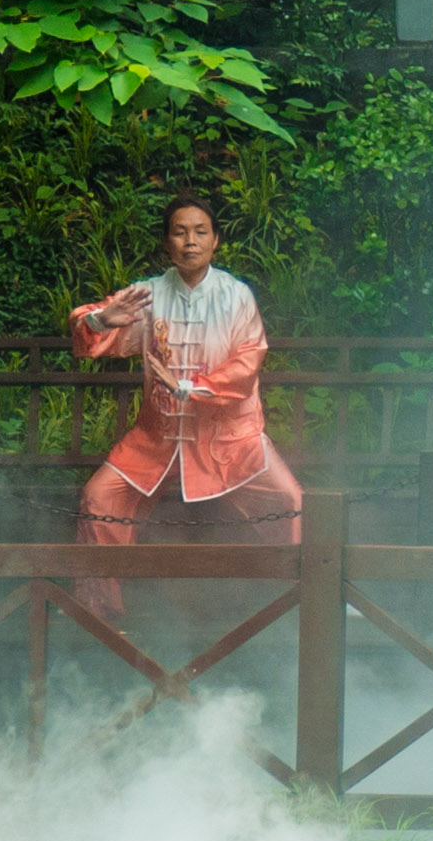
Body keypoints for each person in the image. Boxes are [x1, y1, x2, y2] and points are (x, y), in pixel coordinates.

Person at [70, 193, 300, 604]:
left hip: (228, 438)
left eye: (200, 232)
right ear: (166, 242)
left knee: (289, 501)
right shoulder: (147, 295)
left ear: (216, 241)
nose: (190, 241)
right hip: (155, 439)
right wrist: (101, 319)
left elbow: (247, 366)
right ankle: (99, 609)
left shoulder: (237, 296)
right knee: (99, 497)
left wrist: (187, 388)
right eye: (179, 232)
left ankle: (301, 600)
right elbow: (91, 329)